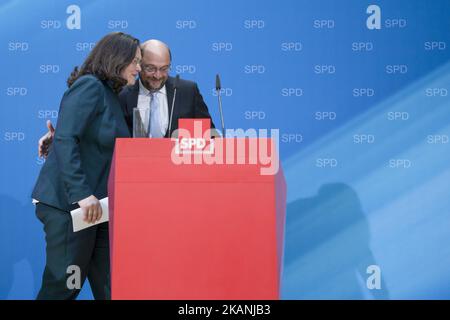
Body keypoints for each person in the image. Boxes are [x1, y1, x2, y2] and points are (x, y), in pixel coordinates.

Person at [32, 32, 141, 300]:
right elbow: (67, 138)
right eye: (135, 61)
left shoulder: (111, 94)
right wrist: (82, 194)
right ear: (118, 59)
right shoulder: (90, 86)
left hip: (99, 209)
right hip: (71, 206)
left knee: (113, 289)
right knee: (65, 286)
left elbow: (78, 136)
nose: (139, 68)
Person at [38, 39, 216, 157]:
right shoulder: (119, 93)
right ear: (138, 65)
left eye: (164, 68)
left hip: (178, 180)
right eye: (150, 68)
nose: (158, 75)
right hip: (131, 180)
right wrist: (59, 138)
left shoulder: (187, 91)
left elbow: (211, 136)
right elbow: (96, 132)